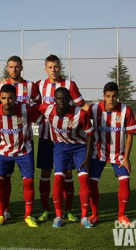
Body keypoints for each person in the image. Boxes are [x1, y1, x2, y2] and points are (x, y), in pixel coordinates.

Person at [35, 54, 89, 222]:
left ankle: (68, 210)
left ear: (60, 67)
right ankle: (46, 209)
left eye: (56, 66)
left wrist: (100, 115)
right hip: (46, 136)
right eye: (50, 67)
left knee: (67, 173)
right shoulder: (40, 85)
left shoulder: (69, 85)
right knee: (45, 172)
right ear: (45, 69)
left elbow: (82, 105)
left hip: (67, 138)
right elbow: (34, 106)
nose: (53, 70)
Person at [0, 55, 41, 220]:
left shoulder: (30, 86)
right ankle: (4, 211)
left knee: (27, 180)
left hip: (24, 141)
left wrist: (26, 113)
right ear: (7, 68)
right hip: (5, 144)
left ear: (21, 68)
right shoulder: (0, 86)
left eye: (17, 67)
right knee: (4, 179)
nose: (14, 69)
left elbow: (38, 103)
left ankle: (28, 215)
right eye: (11, 67)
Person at [88, 82, 136, 226]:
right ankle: (95, 214)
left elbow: (130, 135)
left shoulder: (125, 110)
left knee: (125, 180)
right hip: (98, 153)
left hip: (119, 154)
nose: (111, 99)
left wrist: (127, 158)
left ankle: (122, 216)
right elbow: (81, 118)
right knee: (92, 183)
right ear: (103, 96)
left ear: (118, 96)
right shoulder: (95, 108)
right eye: (108, 96)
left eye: (114, 96)